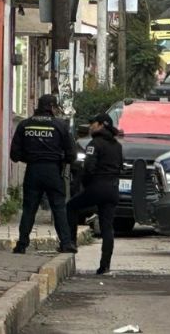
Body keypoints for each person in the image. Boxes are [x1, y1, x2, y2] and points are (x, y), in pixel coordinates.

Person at [10, 94, 77, 254]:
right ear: (52, 107)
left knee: (29, 209)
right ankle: (66, 243)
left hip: (33, 171)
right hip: (53, 171)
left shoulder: (25, 125)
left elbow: (14, 155)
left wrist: (31, 157)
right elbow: (71, 155)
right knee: (59, 208)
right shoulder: (60, 126)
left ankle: (22, 245)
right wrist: (60, 159)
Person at [67, 113, 124, 274]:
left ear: (101, 125)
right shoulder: (117, 145)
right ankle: (105, 265)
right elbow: (120, 166)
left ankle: (70, 243)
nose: (91, 126)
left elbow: (89, 168)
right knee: (107, 227)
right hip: (112, 188)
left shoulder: (94, 143)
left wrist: (84, 184)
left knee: (71, 207)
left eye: (93, 123)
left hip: (97, 186)